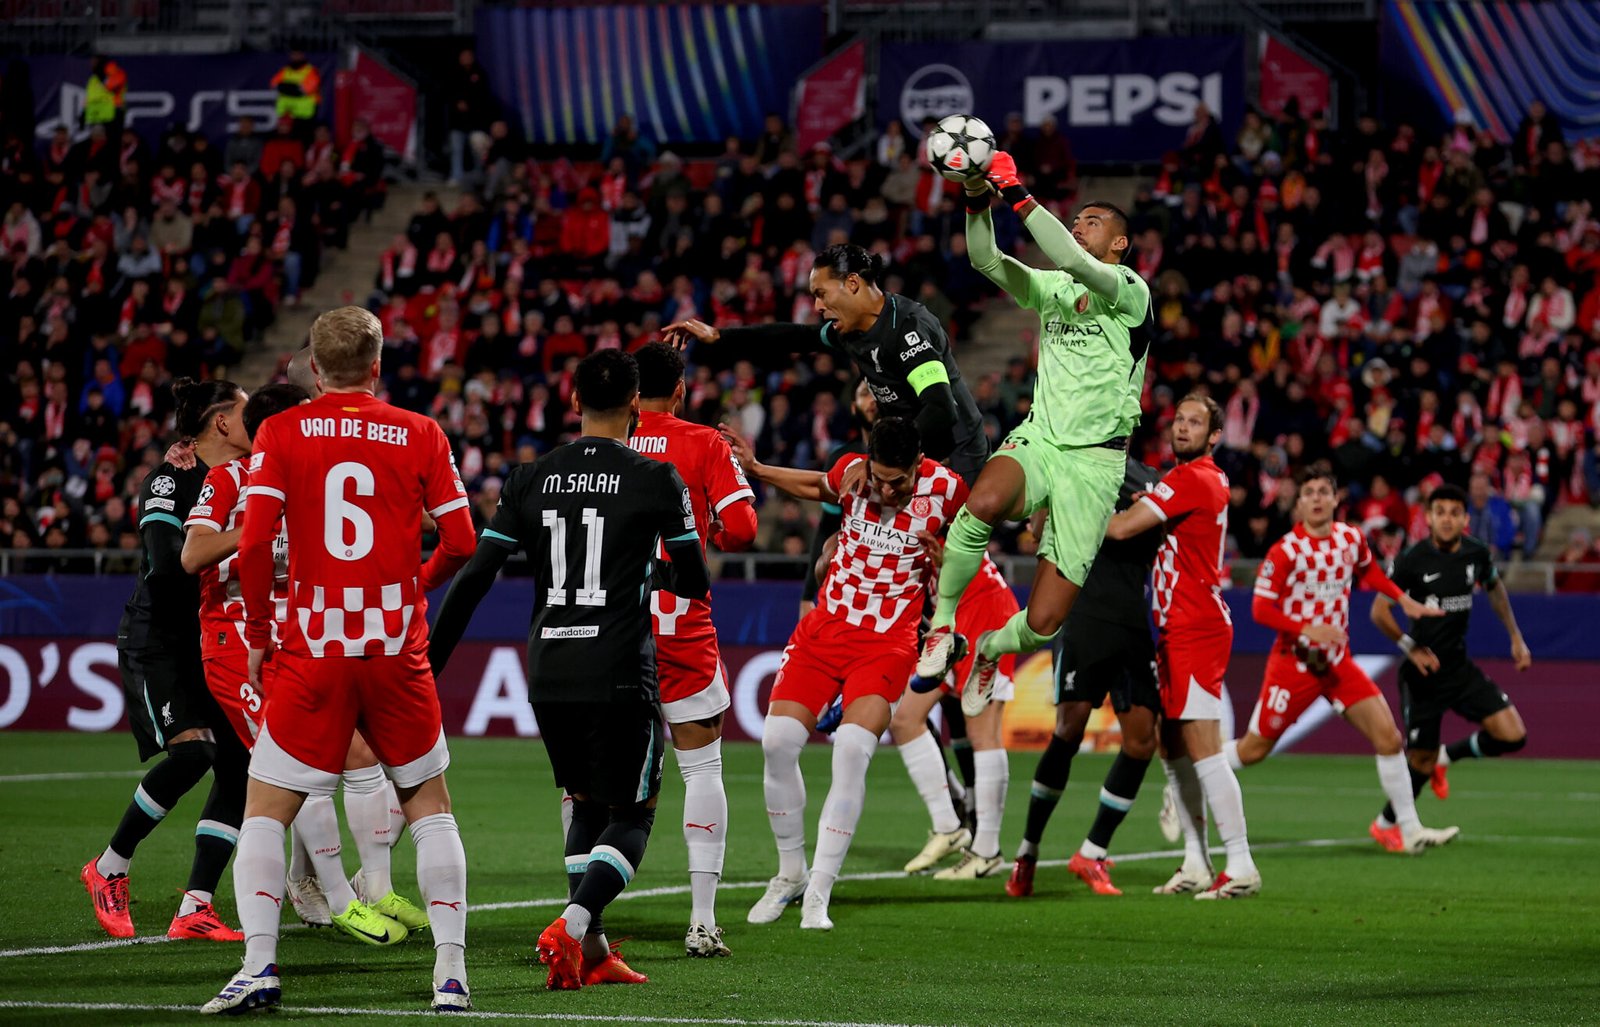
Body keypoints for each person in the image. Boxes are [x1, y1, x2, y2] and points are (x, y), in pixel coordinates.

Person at [201, 306, 477, 1014]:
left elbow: (256, 543)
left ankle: (259, 965)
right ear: (378, 366)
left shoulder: (280, 432)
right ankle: (450, 974)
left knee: (265, 806)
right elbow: (464, 539)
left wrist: (259, 633)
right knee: (429, 804)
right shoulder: (421, 431)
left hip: (312, 645)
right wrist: (415, 583)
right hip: (393, 645)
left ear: (315, 369)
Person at [429, 349, 711, 990]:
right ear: (637, 404)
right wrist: (653, 571)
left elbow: (475, 577)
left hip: (548, 666)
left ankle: (592, 952)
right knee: (634, 813)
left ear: (574, 399)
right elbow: (694, 578)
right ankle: (575, 923)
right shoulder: (657, 477)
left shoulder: (528, 477)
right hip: (618, 667)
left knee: (584, 802)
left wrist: (430, 661)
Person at [669, 242, 990, 794]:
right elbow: (795, 338)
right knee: (853, 555)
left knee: (897, 553)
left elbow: (940, 407)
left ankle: (945, 636)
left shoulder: (909, 330)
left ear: (857, 283)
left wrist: (888, 463)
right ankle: (934, 641)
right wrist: (723, 338)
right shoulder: (853, 330)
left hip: (948, 454)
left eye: (822, 292)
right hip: (898, 459)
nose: (817, 304)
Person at [180, 381, 423, 942]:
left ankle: (366, 886)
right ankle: (338, 897)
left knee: (363, 756)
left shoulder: (309, 476)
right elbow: (192, 554)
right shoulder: (229, 480)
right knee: (297, 767)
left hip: (299, 639)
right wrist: (257, 528)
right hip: (236, 643)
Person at [917, 153, 1152, 714]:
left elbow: (1070, 255)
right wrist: (977, 197)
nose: (1078, 227)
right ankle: (942, 628)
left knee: (1044, 622)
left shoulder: (1129, 291)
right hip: (1042, 439)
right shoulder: (1053, 289)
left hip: (1096, 465)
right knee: (984, 502)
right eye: (1077, 221)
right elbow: (984, 259)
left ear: (1120, 244)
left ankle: (991, 648)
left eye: (1092, 222)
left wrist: (1015, 191)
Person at [730, 417, 966, 931]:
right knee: (776, 744)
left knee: (852, 751)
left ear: (919, 465)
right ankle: (789, 873)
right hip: (825, 630)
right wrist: (757, 469)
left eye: (896, 481)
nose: (884, 489)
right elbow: (818, 484)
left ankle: (819, 890)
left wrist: (948, 561)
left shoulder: (949, 491)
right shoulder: (852, 473)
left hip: (887, 643)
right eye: (878, 477)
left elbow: (975, 558)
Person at [82, 379, 252, 944]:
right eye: (248, 409)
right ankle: (108, 866)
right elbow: (164, 563)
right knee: (195, 751)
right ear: (222, 422)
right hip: (160, 640)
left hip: (213, 643)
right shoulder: (170, 477)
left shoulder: (244, 475)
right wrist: (240, 535)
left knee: (237, 765)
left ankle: (196, 907)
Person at [1229, 463, 1459, 855]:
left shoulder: (1351, 539)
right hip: (1294, 665)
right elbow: (1260, 609)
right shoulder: (1285, 551)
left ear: (1336, 499)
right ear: (1298, 504)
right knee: (1252, 751)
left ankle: (1409, 830)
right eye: (1309, 493)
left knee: (1388, 739)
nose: (1317, 498)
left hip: (1337, 664)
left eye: (1323, 491)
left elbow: (1370, 574)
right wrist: (1307, 629)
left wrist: (1403, 600)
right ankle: (1192, 775)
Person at [276, 344, 416, 930]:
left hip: (348, 622)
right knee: (322, 767)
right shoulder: (284, 441)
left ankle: (336, 881)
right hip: (302, 632)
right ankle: (332, 890)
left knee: (381, 763)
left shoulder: (356, 441)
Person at [627, 342, 758, 956]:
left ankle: (583, 914)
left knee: (592, 778)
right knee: (701, 767)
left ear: (631, 393)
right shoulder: (705, 443)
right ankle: (702, 920)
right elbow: (743, 528)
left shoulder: (606, 446)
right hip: (680, 624)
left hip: (612, 627)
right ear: (680, 391)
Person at [1101, 395, 1257, 898]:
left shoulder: (1192, 478)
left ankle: (1241, 863)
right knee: (1174, 748)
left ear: (1214, 436)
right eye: (1180, 420)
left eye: (1196, 423)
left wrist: (1073, 512)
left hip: (1196, 625)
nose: (1183, 428)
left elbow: (1123, 528)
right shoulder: (1192, 478)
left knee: (1203, 748)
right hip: (1174, 626)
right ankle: (1195, 861)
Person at [1006, 454, 1162, 899]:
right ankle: (1028, 853)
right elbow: (1034, 530)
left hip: (1132, 618)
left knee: (1141, 740)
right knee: (1069, 730)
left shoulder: (1150, 479)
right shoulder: (1068, 463)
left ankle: (1092, 851)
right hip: (1084, 614)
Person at [1367, 483, 1531, 845]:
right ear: (1429, 517)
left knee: (1513, 734)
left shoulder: (1476, 554)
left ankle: (1446, 757)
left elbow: (1495, 588)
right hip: (1423, 674)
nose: (1446, 519)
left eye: (1454, 513)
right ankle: (1385, 823)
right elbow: (1379, 611)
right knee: (1419, 762)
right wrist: (1411, 647)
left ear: (1464, 519)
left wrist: (1515, 637)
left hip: (1458, 667)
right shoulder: (1412, 559)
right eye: (1439, 512)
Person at [271, 50, 321, 139]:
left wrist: (285, 87)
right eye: (293, 54)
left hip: (305, 116)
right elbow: (274, 84)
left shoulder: (311, 71)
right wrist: (294, 87)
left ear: (303, 55)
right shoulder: (285, 71)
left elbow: (304, 90)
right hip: (287, 115)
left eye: (298, 54)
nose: (295, 57)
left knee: (303, 142)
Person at [83, 55, 127, 139]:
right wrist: (84, 111)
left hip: (113, 115)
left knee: (112, 143)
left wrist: (102, 76)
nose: (91, 63)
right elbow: (91, 97)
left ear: (100, 61)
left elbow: (112, 86)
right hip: (96, 116)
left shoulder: (116, 72)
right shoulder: (93, 78)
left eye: (94, 61)